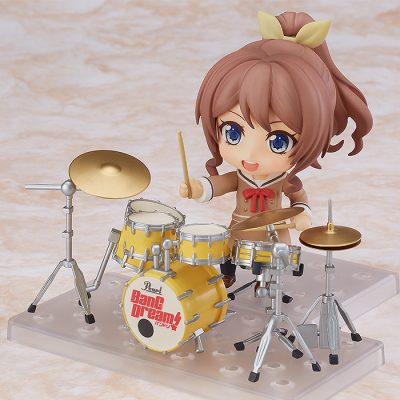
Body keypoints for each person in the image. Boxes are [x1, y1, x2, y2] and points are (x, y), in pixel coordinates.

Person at [179, 11, 373, 288]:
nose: (251, 154)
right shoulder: (241, 177)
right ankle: (228, 274)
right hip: (239, 228)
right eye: (233, 133)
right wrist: (196, 188)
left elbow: (299, 200)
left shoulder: (284, 181)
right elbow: (218, 185)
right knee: (227, 250)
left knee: (275, 258)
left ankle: (267, 283)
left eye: (278, 141)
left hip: (274, 232)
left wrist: (302, 214)